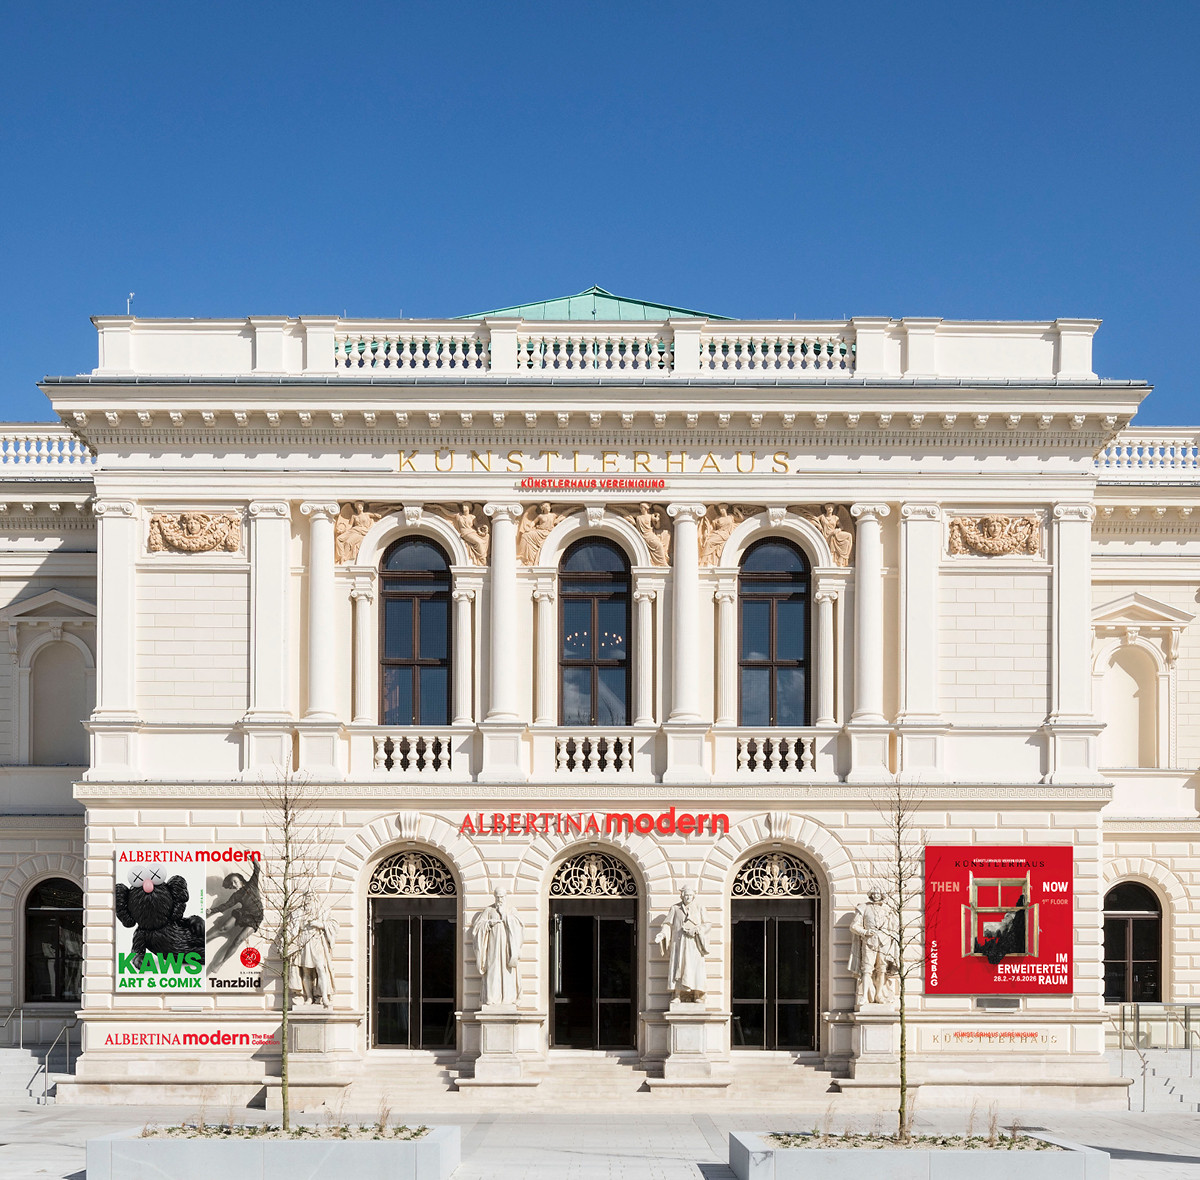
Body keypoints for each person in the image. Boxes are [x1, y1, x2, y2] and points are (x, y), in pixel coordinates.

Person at [206, 859, 263, 973]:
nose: (234, 884)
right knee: (223, 928)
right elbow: (226, 905)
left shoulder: (252, 884)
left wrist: (251, 857)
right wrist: (212, 910)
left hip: (255, 918)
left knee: (238, 940)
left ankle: (220, 964)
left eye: (235, 881)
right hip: (244, 913)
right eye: (232, 884)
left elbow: (257, 868)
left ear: (240, 879)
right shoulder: (237, 895)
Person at [656, 885, 711, 1002]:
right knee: (678, 967)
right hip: (679, 944)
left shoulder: (700, 907)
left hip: (694, 944)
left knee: (695, 968)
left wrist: (696, 930)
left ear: (693, 896)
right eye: (686, 895)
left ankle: (697, 994)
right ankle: (677, 994)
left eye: (690, 895)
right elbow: (667, 924)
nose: (688, 897)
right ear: (682, 896)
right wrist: (662, 934)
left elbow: (707, 924)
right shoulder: (675, 908)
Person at [471, 887, 524, 1005]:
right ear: (494, 897)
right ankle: (491, 998)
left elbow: (519, 927)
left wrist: (504, 916)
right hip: (493, 947)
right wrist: (489, 923)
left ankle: (508, 999)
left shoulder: (511, 910)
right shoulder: (489, 911)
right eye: (497, 897)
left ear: (506, 897)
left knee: (507, 972)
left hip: (507, 949)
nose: (500, 899)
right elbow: (477, 928)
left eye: (502, 897)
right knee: (492, 970)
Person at [848, 887, 897, 1007]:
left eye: (878, 893)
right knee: (866, 969)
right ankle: (864, 996)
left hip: (884, 942)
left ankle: (879, 994)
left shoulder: (888, 910)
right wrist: (865, 932)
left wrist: (889, 935)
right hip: (869, 941)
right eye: (874, 893)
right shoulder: (863, 908)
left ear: (882, 894)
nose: (876, 895)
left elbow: (894, 927)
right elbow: (854, 926)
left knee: (882, 969)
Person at [288, 892, 338, 1006]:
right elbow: (293, 928)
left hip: (316, 941)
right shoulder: (298, 913)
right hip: (303, 941)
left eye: (311, 896)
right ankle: (309, 997)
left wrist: (320, 924)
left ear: (315, 898)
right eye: (307, 897)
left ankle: (324, 996)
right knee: (306, 971)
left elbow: (333, 925)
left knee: (320, 968)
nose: (308, 899)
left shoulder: (323, 910)